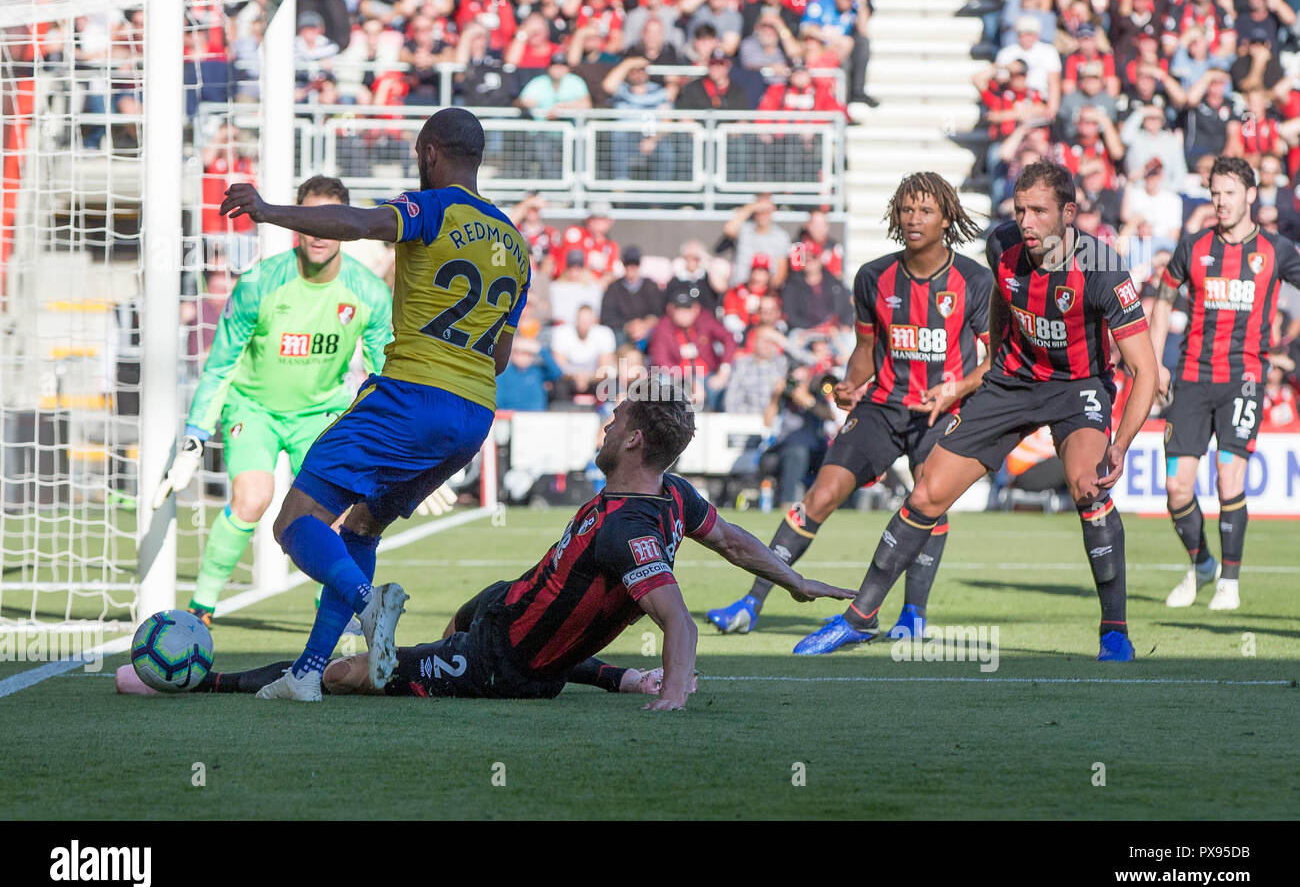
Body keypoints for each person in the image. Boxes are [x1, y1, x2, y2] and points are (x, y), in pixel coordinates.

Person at [121, 383, 854, 708]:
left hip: (507, 663)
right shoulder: (675, 496)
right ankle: (612, 677)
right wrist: (789, 579)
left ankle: (204, 682)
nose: (601, 426)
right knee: (504, 616)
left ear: (633, 439)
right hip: (505, 606)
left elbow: (677, 618)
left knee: (352, 678)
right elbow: (729, 540)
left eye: (613, 419)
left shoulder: (630, 529)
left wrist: (677, 690)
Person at [214, 108, 531, 701]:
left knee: (295, 521)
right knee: (362, 525)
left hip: (410, 396)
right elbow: (502, 356)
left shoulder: (432, 207)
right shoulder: (516, 246)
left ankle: (369, 602)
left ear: (429, 152)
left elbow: (358, 223)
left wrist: (269, 211)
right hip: (472, 418)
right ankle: (308, 673)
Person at [792, 161, 1158, 660]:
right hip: (1010, 383)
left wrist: (1119, 444)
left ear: (1069, 213)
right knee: (925, 495)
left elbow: (1145, 371)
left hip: (1077, 387)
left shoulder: (1103, 269)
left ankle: (1114, 631)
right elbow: (1003, 303)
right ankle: (860, 619)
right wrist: (994, 364)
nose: (1026, 222)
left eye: (1039, 211)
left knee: (1088, 487)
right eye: (1020, 209)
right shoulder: (1001, 245)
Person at [707, 173, 991, 637]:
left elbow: (996, 357)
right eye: (907, 209)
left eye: (926, 211)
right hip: (881, 406)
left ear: (946, 218)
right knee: (818, 497)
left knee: (928, 504)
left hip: (940, 412)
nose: (914, 219)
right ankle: (751, 604)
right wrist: (846, 386)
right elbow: (865, 349)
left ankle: (912, 615)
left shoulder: (974, 281)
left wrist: (957, 389)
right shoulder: (873, 276)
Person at [153, 176, 392, 626]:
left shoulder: (370, 293)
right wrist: (194, 437)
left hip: (320, 416)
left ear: (346, 226)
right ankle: (200, 609)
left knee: (335, 519)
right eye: (310, 220)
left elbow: (384, 374)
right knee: (253, 497)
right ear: (295, 223)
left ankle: (334, 612)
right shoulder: (259, 283)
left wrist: (404, 440)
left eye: (330, 221)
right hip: (253, 409)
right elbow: (221, 364)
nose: (320, 233)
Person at [1147, 155, 1300, 611]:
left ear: (1251, 195)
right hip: (1192, 378)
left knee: (1228, 475)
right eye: (1215, 193)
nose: (1221, 202)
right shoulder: (1192, 246)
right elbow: (1162, 299)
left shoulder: (1277, 250)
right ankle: (1203, 562)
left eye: (1230, 193)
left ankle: (1229, 582)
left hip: (1244, 379)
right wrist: (1155, 364)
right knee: (1177, 486)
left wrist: (1286, 348)